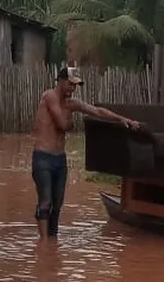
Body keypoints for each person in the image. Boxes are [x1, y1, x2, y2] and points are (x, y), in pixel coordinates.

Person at [32, 66, 141, 239]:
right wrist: (71, 124)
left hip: (59, 158)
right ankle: (44, 245)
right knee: (46, 201)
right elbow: (62, 124)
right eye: (70, 84)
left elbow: (97, 111)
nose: (72, 88)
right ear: (60, 81)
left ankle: (52, 241)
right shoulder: (49, 96)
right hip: (43, 157)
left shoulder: (71, 104)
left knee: (58, 204)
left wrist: (122, 119)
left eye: (75, 85)